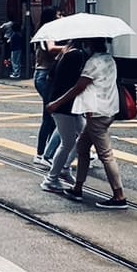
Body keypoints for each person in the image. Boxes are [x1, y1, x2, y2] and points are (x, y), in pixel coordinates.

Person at [49, 37, 128, 209]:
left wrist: (56, 103)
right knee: (82, 147)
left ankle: (119, 196)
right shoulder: (109, 59)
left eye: (86, 43)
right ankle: (77, 188)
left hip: (97, 114)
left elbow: (79, 87)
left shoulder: (92, 62)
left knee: (106, 155)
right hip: (109, 110)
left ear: (90, 44)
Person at [40, 39, 86, 192]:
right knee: (68, 142)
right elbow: (77, 83)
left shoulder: (65, 52)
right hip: (64, 104)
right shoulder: (77, 55)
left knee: (85, 136)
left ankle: (65, 168)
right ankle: (51, 179)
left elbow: (51, 75)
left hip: (64, 103)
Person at [32, 8, 63, 162]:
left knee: (52, 116)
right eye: (59, 14)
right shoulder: (48, 31)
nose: (61, 17)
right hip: (44, 76)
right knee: (49, 116)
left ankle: (48, 153)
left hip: (46, 75)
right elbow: (51, 49)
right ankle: (42, 154)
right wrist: (68, 48)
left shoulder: (45, 31)